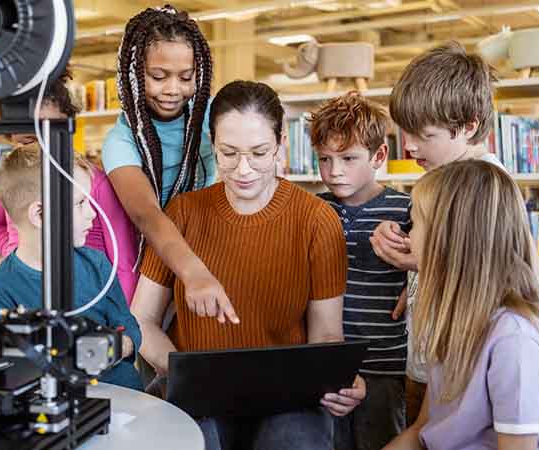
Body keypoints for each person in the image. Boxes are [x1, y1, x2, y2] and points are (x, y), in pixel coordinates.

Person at [130, 80, 366, 450]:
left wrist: (339, 382)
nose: (243, 169)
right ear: (212, 145)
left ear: (280, 145)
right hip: (199, 395)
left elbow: (325, 336)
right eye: (228, 153)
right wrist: (182, 371)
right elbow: (141, 319)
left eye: (258, 153)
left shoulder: (316, 220)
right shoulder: (184, 213)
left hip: (289, 399)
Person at [383, 159, 539, 450]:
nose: (408, 235)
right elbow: (422, 432)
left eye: (415, 224)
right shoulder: (454, 321)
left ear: (450, 240)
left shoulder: (515, 341)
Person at [368, 41, 504, 424]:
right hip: (425, 363)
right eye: (404, 133)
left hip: (463, 375)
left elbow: (498, 276)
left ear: (469, 126)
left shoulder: (488, 187)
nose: (408, 147)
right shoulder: (439, 181)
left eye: (423, 135)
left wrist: (417, 260)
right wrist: (412, 270)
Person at [103, 5, 239, 324]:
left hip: (210, 244)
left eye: (186, 77)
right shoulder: (120, 142)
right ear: (133, 75)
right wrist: (193, 271)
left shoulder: (208, 119)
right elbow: (146, 213)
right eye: (158, 76)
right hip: (151, 263)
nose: (173, 90)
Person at [0, 145, 142, 391]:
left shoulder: (95, 264)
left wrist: (115, 347)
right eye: (80, 203)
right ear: (40, 214)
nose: (92, 214)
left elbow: (130, 327)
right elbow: (13, 369)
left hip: (123, 398)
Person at [0, 70, 140, 302]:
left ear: (69, 126)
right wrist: (12, 252)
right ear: (11, 138)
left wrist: (121, 316)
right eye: (28, 142)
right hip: (30, 293)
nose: (43, 149)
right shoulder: (6, 181)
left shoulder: (96, 182)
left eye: (53, 135)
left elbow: (123, 260)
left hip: (89, 298)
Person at [310, 92, 410, 450]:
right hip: (328, 368)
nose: (335, 171)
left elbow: (436, 264)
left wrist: (415, 283)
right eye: (325, 159)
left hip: (385, 366)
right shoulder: (313, 210)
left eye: (349, 158)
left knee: (381, 441)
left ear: (379, 156)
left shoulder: (407, 209)